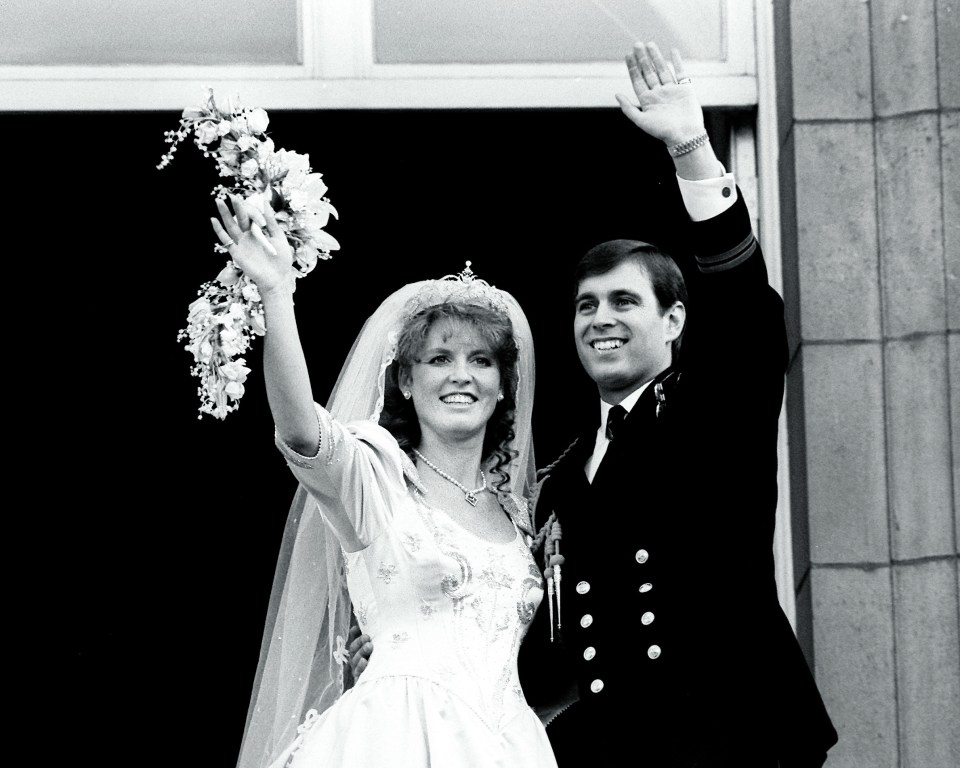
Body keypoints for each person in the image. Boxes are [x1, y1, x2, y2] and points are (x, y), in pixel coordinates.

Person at [516, 42, 839, 767]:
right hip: (608, 752)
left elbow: (748, 316)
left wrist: (691, 147)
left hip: (735, 737)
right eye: (585, 306)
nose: (599, 318)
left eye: (624, 301)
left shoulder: (713, 405)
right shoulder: (559, 474)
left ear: (675, 321)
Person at [211, 183, 558, 766]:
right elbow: (301, 429)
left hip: (509, 744)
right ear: (404, 379)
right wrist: (276, 293)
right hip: (395, 735)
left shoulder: (522, 511)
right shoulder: (375, 475)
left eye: (481, 361)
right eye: (439, 359)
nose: (461, 376)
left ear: (503, 387)